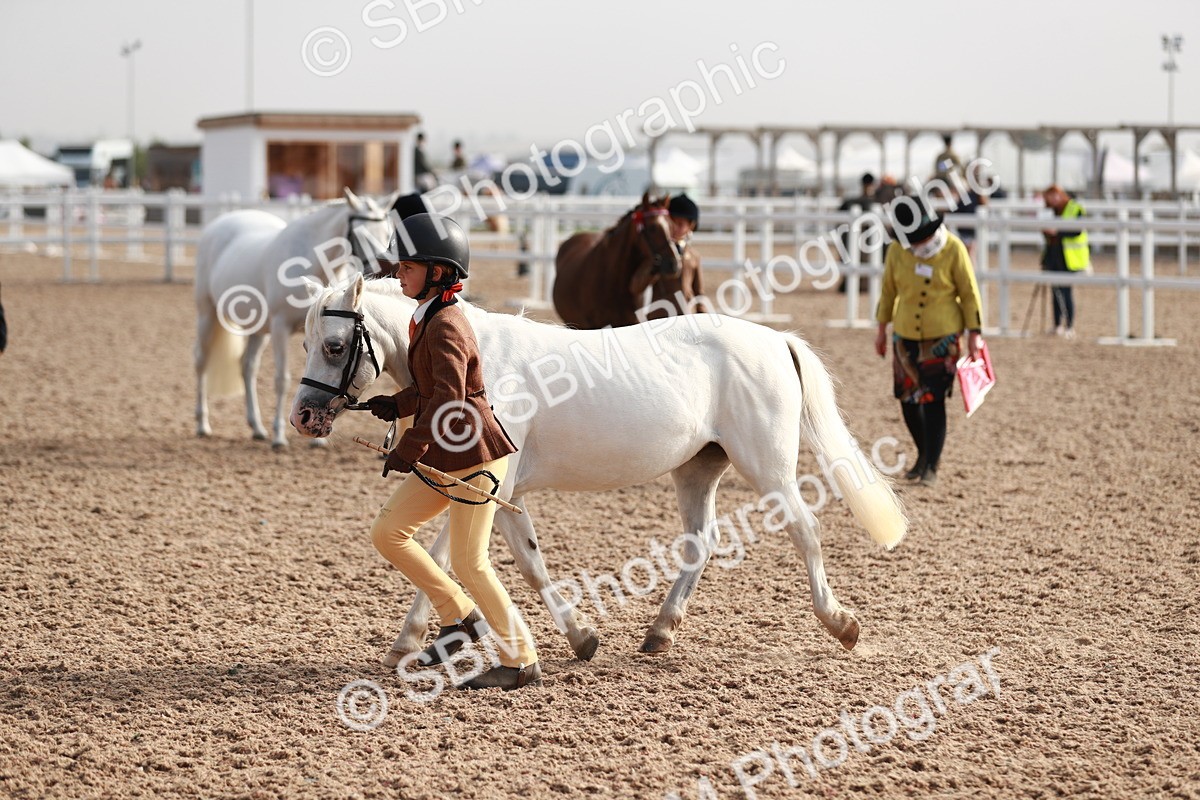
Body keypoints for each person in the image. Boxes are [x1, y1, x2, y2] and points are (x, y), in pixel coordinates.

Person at [366, 213, 539, 691]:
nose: (398, 273)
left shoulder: (446, 326)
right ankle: (459, 617)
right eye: (398, 266)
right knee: (389, 531)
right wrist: (395, 403)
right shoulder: (428, 316)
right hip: (447, 452)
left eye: (408, 267)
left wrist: (409, 445)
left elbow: (448, 397)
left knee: (469, 561)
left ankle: (521, 659)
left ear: (438, 272)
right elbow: (430, 387)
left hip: (473, 454)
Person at [874, 200, 983, 487]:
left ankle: (932, 465)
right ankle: (923, 455)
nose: (914, 244)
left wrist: (975, 332)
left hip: (943, 335)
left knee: (934, 402)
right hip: (905, 333)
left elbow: (969, 292)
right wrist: (881, 328)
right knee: (907, 401)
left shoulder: (953, 249)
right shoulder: (898, 251)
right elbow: (888, 290)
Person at [645, 194, 707, 317]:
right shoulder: (657, 254)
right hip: (660, 316)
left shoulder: (694, 256)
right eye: (672, 222)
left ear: (691, 226)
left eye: (680, 224)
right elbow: (639, 286)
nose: (675, 228)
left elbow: (699, 291)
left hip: (687, 315)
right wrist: (652, 270)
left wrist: (703, 314)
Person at [1040, 184, 1089, 338]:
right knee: (1055, 291)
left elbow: (1077, 230)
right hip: (1054, 254)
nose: (1053, 200)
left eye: (1054, 195)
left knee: (1066, 291)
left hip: (1069, 258)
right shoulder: (1051, 211)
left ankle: (1069, 325)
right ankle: (1057, 325)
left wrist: (1058, 231)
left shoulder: (1076, 208)